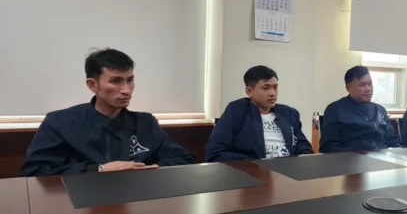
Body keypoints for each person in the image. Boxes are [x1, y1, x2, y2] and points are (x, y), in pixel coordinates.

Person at [20, 49, 195, 177]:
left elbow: (183, 159)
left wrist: (154, 168)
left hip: (138, 203)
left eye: (130, 80)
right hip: (82, 206)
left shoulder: (145, 122)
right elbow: (34, 171)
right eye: (116, 81)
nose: (126, 90)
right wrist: (99, 170)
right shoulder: (60, 122)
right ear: (92, 85)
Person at [206, 65, 313, 162]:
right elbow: (215, 152)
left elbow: (303, 146)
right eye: (266, 88)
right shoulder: (236, 111)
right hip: (253, 171)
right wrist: (254, 163)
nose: (272, 93)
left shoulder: (289, 113)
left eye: (275, 87)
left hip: (288, 170)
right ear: (249, 91)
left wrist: (304, 158)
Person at [320, 66, 402, 153]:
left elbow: (393, 140)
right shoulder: (335, 110)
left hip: (383, 156)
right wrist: (356, 155)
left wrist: (401, 153)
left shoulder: (380, 110)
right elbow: (328, 147)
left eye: (370, 84)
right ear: (348, 88)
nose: (368, 89)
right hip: (352, 158)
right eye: (362, 85)